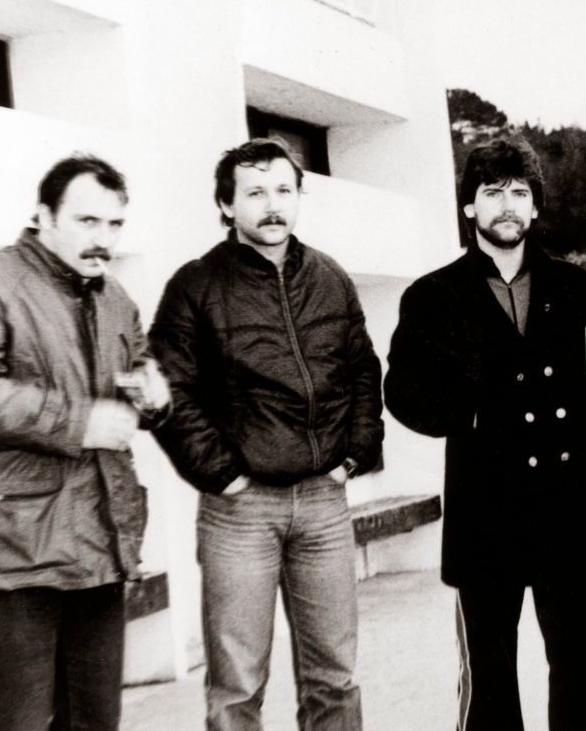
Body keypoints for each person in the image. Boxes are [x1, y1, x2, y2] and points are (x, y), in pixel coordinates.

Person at [385, 138, 586, 730]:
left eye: (520, 193)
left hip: (566, 504)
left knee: (580, 662)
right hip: (485, 509)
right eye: (493, 193)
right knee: (489, 675)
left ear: (536, 206)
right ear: (469, 206)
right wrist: (470, 417)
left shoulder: (574, 287)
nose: (508, 205)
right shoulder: (433, 295)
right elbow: (403, 393)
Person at [149, 138, 384, 730]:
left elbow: (362, 369)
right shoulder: (195, 285)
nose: (273, 204)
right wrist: (221, 474)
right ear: (226, 205)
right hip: (240, 512)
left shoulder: (329, 277)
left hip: (324, 505)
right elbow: (169, 389)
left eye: (284, 190)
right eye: (255, 192)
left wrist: (355, 454)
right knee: (237, 687)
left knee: (334, 679)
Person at [0, 155, 169, 730]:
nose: (104, 239)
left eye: (115, 224)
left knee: (95, 721)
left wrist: (154, 397)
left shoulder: (115, 297)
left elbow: (140, 370)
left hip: (101, 546)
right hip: (16, 557)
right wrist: (78, 423)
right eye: (87, 221)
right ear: (44, 216)